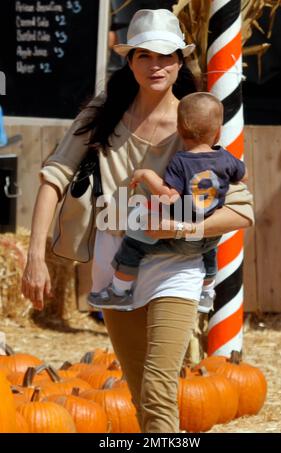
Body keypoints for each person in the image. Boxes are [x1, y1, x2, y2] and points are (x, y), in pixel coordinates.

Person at [22, 9, 254, 433]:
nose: (156, 65)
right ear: (129, 61)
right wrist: (35, 256)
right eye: (144, 55)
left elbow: (241, 210)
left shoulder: (195, 118)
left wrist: (182, 226)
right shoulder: (104, 111)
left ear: (180, 61)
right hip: (115, 265)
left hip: (175, 265)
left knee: (160, 386)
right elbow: (54, 176)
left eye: (165, 55)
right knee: (138, 391)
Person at [87, 92, 248, 313]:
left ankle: (119, 291)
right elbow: (243, 176)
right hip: (209, 233)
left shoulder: (181, 161)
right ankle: (206, 292)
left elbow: (169, 196)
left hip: (179, 235)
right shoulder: (226, 158)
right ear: (218, 133)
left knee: (134, 244)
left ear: (179, 131)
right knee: (210, 252)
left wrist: (146, 175)